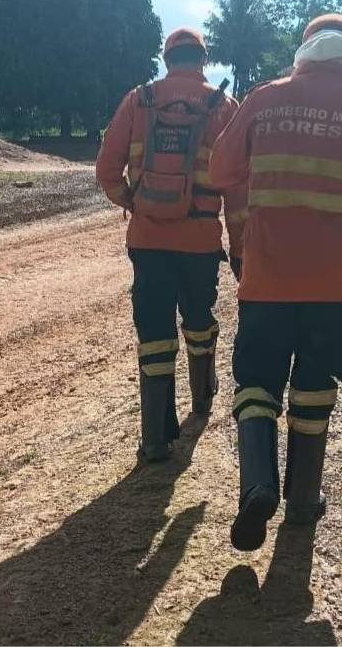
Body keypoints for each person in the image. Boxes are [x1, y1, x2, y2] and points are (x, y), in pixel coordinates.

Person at [209, 14, 342, 551]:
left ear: (304, 50)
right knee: (315, 382)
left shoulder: (264, 98)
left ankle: (258, 486)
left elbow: (220, 171)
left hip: (266, 277)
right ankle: (303, 501)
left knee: (256, 383)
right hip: (334, 283)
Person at [96, 27, 244, 462]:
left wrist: (132, 201)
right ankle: (203, 398)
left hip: (148, 239)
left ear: (166, 60)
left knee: (154, 332)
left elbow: (106, 170)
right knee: (198, 318)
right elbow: (238, 190)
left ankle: (156, 439)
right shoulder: (224, 106)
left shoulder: (138, 100)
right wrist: (239, 248)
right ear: (203, 60)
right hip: (200, 240)